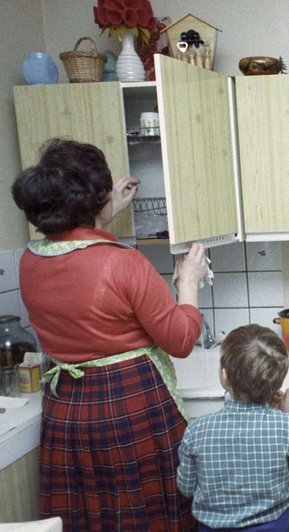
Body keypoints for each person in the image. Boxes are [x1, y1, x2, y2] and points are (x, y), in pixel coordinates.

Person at [11, 138, 209, 531]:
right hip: (130, 408)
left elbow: (75, 250)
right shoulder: (125, 264)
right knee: (144, 516)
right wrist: (189, 282)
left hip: (67, 411)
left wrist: (105, 212)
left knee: (92, 518)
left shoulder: (30, 260)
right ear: (94, 200)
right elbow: (181, 340)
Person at [177, 324, 289, 531]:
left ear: (225, 377)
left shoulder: (196, 432)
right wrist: (284, 417)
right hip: (274, 526)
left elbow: (186, 488)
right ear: (277, 380)